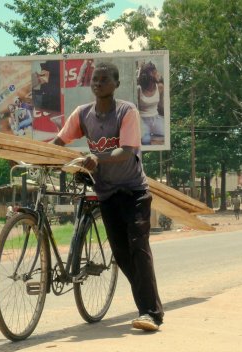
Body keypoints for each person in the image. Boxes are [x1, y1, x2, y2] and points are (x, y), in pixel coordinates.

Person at [51, 62, 164, 332]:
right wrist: (33, 156)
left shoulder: (127, 111)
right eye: (95, 80)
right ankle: (149, 304)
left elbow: (125, 151)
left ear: (116, 84)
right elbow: (59, 142)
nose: (98, 83)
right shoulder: (82, 114)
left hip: (134, 191)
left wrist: (96, 157)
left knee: (138, 248)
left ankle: (151, 313)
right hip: (107, 193)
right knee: (122, 255)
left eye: (104, 79)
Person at [136, 62, 164, 145]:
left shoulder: (160, 87)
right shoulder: (139, 89)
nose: (158, 74)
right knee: (145, 140)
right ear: (150, 75)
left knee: (165, 134)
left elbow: (161, 106)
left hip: (156, 118)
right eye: (155, 72)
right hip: (142, 120)